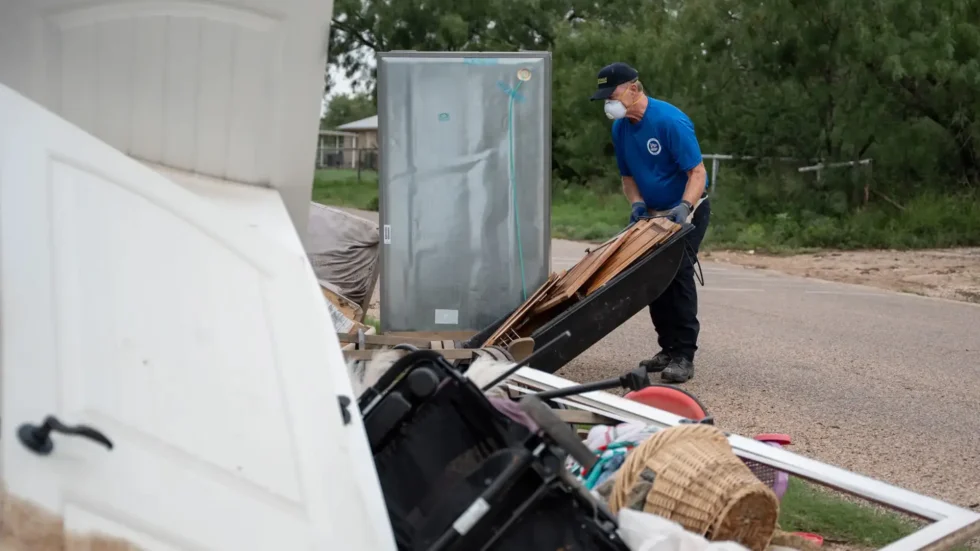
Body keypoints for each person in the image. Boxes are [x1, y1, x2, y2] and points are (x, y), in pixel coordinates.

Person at [590, 61, 711, 384]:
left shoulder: (669, 121)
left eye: (611, 95)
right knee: (653, 278)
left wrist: (684, 207)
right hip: (653, 214)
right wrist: (638, 204)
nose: (608, 103)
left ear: (633, 88)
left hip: (687, 209)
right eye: (604, 97)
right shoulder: (621, 128)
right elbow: (628, 177)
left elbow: (696, 173)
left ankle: (684, 354)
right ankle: (667, 348)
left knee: (678, 274)